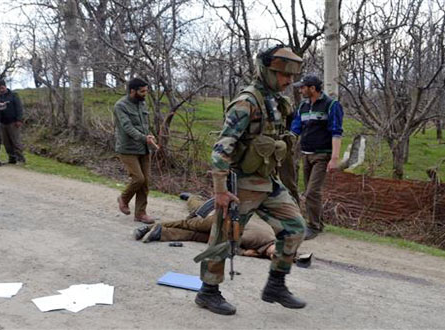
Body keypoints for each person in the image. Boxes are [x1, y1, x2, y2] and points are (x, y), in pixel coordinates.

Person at [194, 45, 307, 315]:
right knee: (224, 238)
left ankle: (276, 285)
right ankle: (208, 292)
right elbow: (221, 149)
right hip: (241, 184)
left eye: (291, 76)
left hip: (267, 181)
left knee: (295, 227)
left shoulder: (279, 102)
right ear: (266, 71)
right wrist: (220, 191)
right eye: (282, 75)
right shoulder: (247, 102)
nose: (288, 81)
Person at [133, 194, 277, 259]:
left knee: (196, 236)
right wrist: (243, 252)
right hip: (220, 219)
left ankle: (161, 233)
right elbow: (230, 244)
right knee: (190, 223)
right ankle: (152, 226)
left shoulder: (266, 248)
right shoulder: (257, 239)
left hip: (227, 227)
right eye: (275, 254)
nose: (273, 256)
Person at [291, 74, 344, 240]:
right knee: (312, 191)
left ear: (312, 89)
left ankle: (312, 226)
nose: (300, 90)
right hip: (306, 154)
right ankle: (318, 223)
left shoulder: (331, 105)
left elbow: (336, 132)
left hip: (322, 155)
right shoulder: (303, 106)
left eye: (303, 87)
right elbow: (296, 127)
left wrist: (334, 158)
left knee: (312, 192)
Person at [114, 78, 159, 224]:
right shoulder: (120, 106)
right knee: (138, 178)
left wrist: (149, 136)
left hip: (144, 148)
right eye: (142, 91)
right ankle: (124, 198)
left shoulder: (142, 104)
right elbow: (127, 127)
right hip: (127, 149)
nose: (145, 94)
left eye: (146, 90)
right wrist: (143, 138)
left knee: (145, 182)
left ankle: (140, 213)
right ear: (132, 91)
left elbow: (144, 125)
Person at [0, 80, 26, 164]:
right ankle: (12, 158)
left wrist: (19, 119)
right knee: (6, 142)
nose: (1, 90)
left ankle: (20, 158)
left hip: (13, 122)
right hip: (3, 122)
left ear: (5, 86)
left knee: (16, 141)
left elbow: (19, 108)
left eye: (2, 88)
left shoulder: (13, 95)